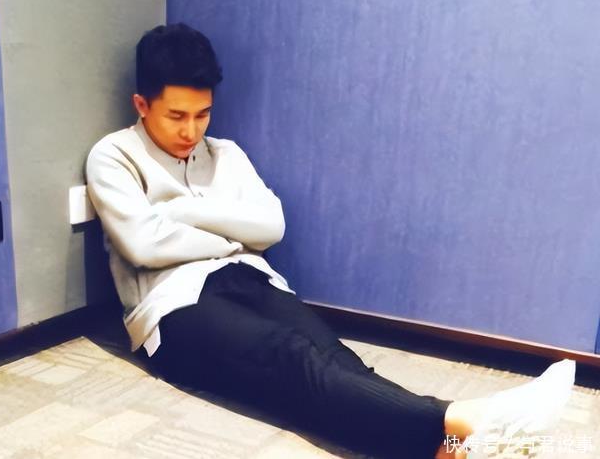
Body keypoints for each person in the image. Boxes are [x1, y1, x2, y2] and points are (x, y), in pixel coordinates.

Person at [85, 23, 576, 459]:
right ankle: (466, 419)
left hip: (250, 278)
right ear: (142, 104)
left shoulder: (226, 154)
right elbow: (144, 247)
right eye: (176, 116)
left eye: (203, 114)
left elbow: (271, 227)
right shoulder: (113, 156)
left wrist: (182, 213)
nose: (191, 130)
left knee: (332, 356)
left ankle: (448, 451)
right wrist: (232, 234)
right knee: (288, 354)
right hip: (172, 310)